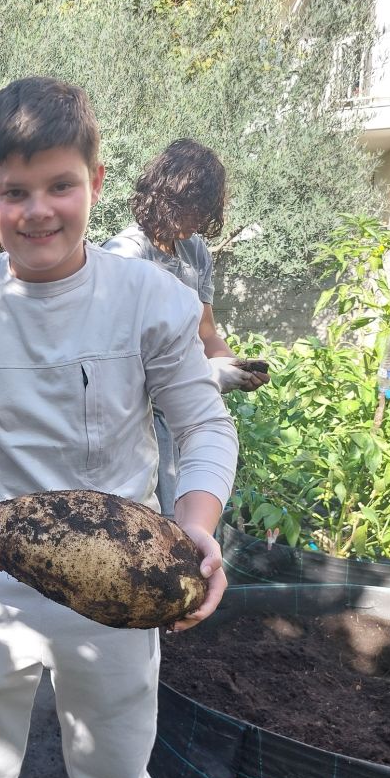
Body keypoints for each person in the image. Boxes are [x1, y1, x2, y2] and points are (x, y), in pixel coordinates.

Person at [0, 77, 239, 778]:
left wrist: (195, 526)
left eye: (61, 186)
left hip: (120, 584)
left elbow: (203, 425)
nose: (39, 211)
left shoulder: (152, 298)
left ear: (97, 181)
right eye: (15, 192)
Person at [103, 138, 269, 517]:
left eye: (204, 210)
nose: (197, 220)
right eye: (192, 208)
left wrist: (234, 367)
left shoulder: (195, 253)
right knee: (152, 520)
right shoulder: (124, 255)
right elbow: (119, 366)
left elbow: (206, 332)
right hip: (140, 423)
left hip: (184, 411)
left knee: (191, 517)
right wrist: (209, 375)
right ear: (167, 197)